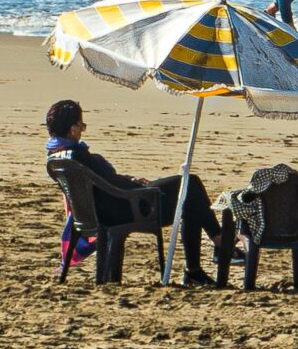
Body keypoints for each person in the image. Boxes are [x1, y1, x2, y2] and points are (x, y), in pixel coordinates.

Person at [44, 99, 228, 282]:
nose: (83, 130)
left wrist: (130, 179)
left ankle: (204, 259)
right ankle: (215, 247)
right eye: (81, 125)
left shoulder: (57, 156)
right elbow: (112, 184)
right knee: (190, 185)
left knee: (188, 195)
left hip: (97, 212)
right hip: (123, 210)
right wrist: (141, 187)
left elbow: (103, 181)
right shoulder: (79, 154)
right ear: (73, 129)